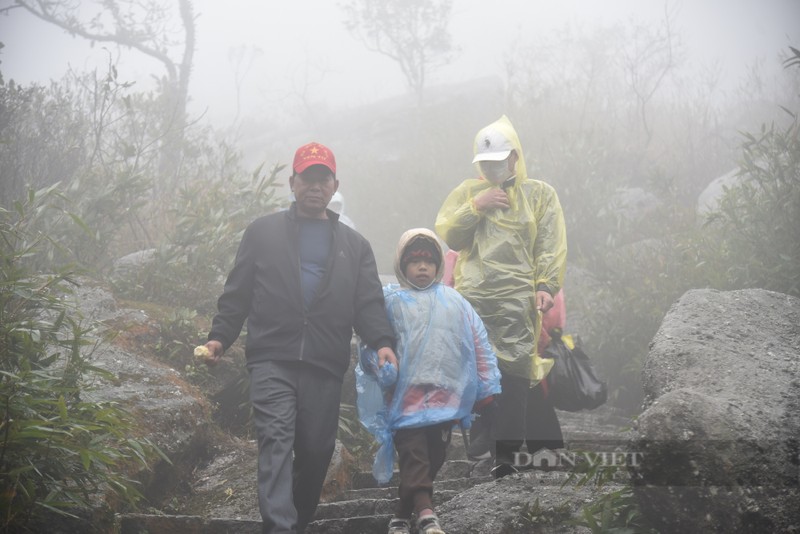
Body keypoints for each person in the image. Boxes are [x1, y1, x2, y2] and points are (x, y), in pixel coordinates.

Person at [201, 142, 398, 534]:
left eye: (323, 178)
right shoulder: (262, 232)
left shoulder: (354, 246)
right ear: (292, 182)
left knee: (317, 449)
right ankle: (279, 526)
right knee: (275, 438)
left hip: (325, 361)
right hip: (271, 356)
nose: (314, 185)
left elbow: (369, 304)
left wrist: (383, 343)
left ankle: (297, 519)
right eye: (307, 177)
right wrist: (219, 338)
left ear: (334, 184)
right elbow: (237, 293)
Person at [435, 115, 568, 478]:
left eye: (499, 162)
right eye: (486, 164)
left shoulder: (538, 195)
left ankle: (506, 456)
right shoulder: (467, 193)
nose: (493, 169)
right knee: (477, 377)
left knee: (514, 377)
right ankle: (481, 451)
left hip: (517, 304)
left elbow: (549, 245)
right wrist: (476, 206)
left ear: (515, 158)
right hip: (475, 301)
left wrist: (545, 285)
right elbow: (450, 235)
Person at [357, 228, 501, 534]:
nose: (422, 267)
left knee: (433, 457)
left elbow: (478, 344)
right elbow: (372, 344)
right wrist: (379, 367)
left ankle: (401, 514)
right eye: (414, 261)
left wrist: (487, 385)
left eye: (428, 261)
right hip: (404, 397)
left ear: (439, 266)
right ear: (401, 265)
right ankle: (427, 516)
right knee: (415, 455)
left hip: (445, 398)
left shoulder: (455, 301)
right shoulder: (391, 302)